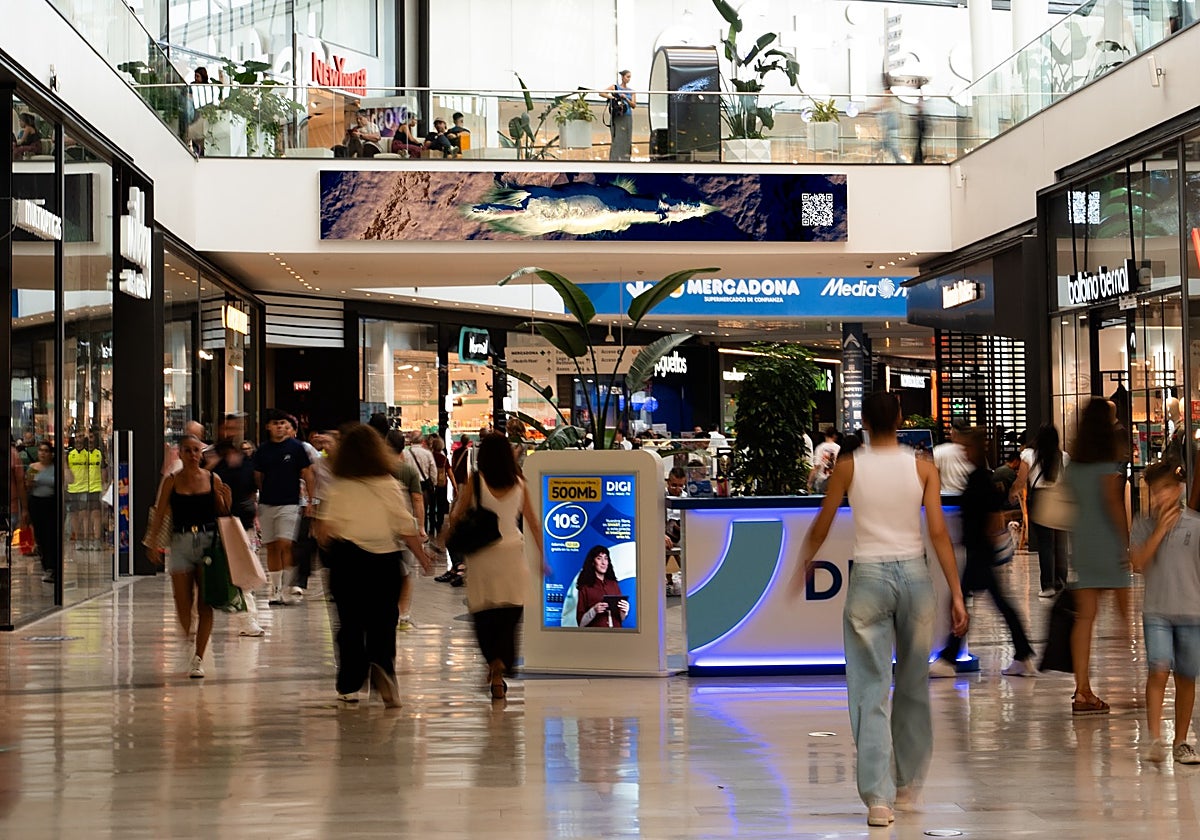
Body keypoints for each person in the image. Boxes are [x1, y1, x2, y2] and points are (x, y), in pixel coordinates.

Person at [787, 391, 968, 828]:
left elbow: (824, 521)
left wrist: (802, 564)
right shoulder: (923, 467)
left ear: (864, 421)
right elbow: (939, 534)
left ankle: (878, 800)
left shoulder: (848, 466)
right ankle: (908, 783)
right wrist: (957, 593)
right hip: (915, 577)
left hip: (868, 577)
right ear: (902, 419)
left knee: (870, 689)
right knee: (911, 684)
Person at [314, 423, 431, 707]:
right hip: (385, 561)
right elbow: (405, 526)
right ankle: (384, 669)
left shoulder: (340, 487)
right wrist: (423, 557)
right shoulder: (390, 484)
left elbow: (325, 529)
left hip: (348, 560)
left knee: (350, 623)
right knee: (383, 621)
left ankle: (350, 684)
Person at [930, 428, 1037, 678]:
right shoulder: (980, 478)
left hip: (979, 551)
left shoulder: (979, 480)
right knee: (994, 604)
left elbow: (990, 518)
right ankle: (1022, 654)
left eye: (967, 447)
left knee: (965, 601)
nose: (963, 451)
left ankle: (949, 659)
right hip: (979, 550)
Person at [447, 433, 541, 700]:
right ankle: (502, 662)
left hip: (482, 557)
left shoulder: (477, 481)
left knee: (483, 614)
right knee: (510, 613)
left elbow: (456, 515)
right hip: (512, 553)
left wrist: (452, 531)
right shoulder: (520, 482)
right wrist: (544, 557)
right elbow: (533, 522)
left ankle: (493, 667)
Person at [1130, 459, 1200, 764]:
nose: (1162, 497)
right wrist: (1159, 531)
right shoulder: (1142, 526)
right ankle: (1155, 737)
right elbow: (1138, 563)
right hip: (1156, 611)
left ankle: (1181, 740)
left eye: (1168, 489)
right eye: (1156, 491)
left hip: (1192, 612)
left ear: (1180, 489)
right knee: (1158, 669)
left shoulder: (1196, 525)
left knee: (1186, 676)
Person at [146, 435, 232, 678]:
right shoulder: (172, 481)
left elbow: (224, 511)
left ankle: (198, 657)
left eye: (197, 450)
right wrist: (153, 543)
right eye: (188, 450)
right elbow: (160, 512)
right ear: (180, 454)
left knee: (206, 602)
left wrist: (225, 497)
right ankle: (188, 635)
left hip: (208, 543)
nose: (193, 455)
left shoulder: (213, 478)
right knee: (182, 601)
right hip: (181, 542)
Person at [1065, 397, 1131, 716]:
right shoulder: (1107, 466)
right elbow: (1114, 506)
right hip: (1106, 543)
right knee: (1123, 610)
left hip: (1082, 544)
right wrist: (1125, 543)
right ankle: (1141, 669)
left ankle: (1082, 690)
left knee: (1085, 619)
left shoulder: (1073, 466)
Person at [252, 409, 315, 605]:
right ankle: (275, 588)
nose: (279, 426)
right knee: (271, 546)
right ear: (268, 427)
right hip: (267, 503)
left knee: (285, 543)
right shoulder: (262, 450)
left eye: (282, 423)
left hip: (290, 503)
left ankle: (288, 586)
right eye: (275, 423)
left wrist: (312, 501)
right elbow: (258, 476)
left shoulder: (296, 448)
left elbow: (307, 473)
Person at [212, 438, 265, 637]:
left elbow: (252, 491)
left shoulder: (246, 466)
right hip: (217, 526)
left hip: (239, 525)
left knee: (241, 573)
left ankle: (247, 618)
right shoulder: (214, 468)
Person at [1009, 423, 1069, 597]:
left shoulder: (1029, 455)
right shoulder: (1064, 457)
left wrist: (1013, 492)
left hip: (1040, 499)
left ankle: (1047, 585)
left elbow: (1021, 480)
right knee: (1060, 544)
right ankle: (1061, 582)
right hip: (1059, 499)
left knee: (1045, 544)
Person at [383, 429, 432, 623]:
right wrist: (421, 527)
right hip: (406, 526)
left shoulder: (380, 469)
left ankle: (387, 608)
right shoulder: (408, 471)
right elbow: (418, 500)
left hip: (384, 527)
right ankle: (403, 612)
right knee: (406, 573)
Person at [26, 442, 65, 584]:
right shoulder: (33, 468)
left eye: (46, 451)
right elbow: (28, 486)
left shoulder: (55, 468)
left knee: (51, 536)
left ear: (51, 453)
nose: (43, 453)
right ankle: (46, 566)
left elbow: (66, 482)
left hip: (51, 504)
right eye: (40, 451)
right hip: (37, 504)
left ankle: (52, 566)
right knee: (40, 536)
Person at [575, 546, 629, 628]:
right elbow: (580, 623)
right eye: (599, 558)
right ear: (593, 562)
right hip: (596, 636)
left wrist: (624, 611)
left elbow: (621, 618)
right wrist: (593, 611)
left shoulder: (613, 584)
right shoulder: (585, 587)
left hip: (617, 634)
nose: (603, 562)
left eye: (606, 558)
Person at [602, 69, 636, 161]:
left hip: (627, 115)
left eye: (630, 77)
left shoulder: (631, 91)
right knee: (616, 138)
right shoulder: (615, 87)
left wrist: (626, 99)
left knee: (627, 139)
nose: (628, 79)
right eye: (627, 77)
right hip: (617, 116)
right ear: (622, 77)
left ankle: (626, 159)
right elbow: (601, 93)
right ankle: (614, 159)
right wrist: (613, 97)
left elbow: (634, 105)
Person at [931, 419, 973, 495]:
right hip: (970, 498)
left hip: (947, 498)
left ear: (953, 432)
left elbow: (932, 476)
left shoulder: (940, 451)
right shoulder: (974, 453)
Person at [428, 434, 455, 535]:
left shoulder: (429, 457)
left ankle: (431, 527)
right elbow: (450, 473)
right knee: (440, 505)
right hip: (442, 484)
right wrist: (455, 485)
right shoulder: (444, 459)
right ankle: (439, 526)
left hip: (431, 484)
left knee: (431, 505)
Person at [807, 426, 841, 494]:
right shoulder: (839, 448)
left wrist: (809, 482)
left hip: (821, 481)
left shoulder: (820, 448)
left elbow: (816, 467)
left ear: (825, 435)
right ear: (835, 436)